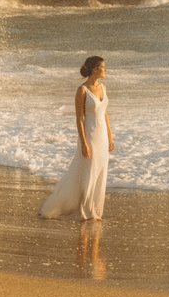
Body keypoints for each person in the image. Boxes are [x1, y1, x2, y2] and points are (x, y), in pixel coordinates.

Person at [38, 55, 113, 220]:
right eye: (103, 67)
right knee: (88, 172)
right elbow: (79, 118)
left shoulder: (104, 88)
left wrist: (110, 135)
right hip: (90, 135)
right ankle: (85, 211)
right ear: (95, 69)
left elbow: (104, 113)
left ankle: (95, 211)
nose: (105, 70)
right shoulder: (82, 90)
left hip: (102, 136)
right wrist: (84, 143)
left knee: (100, 172)